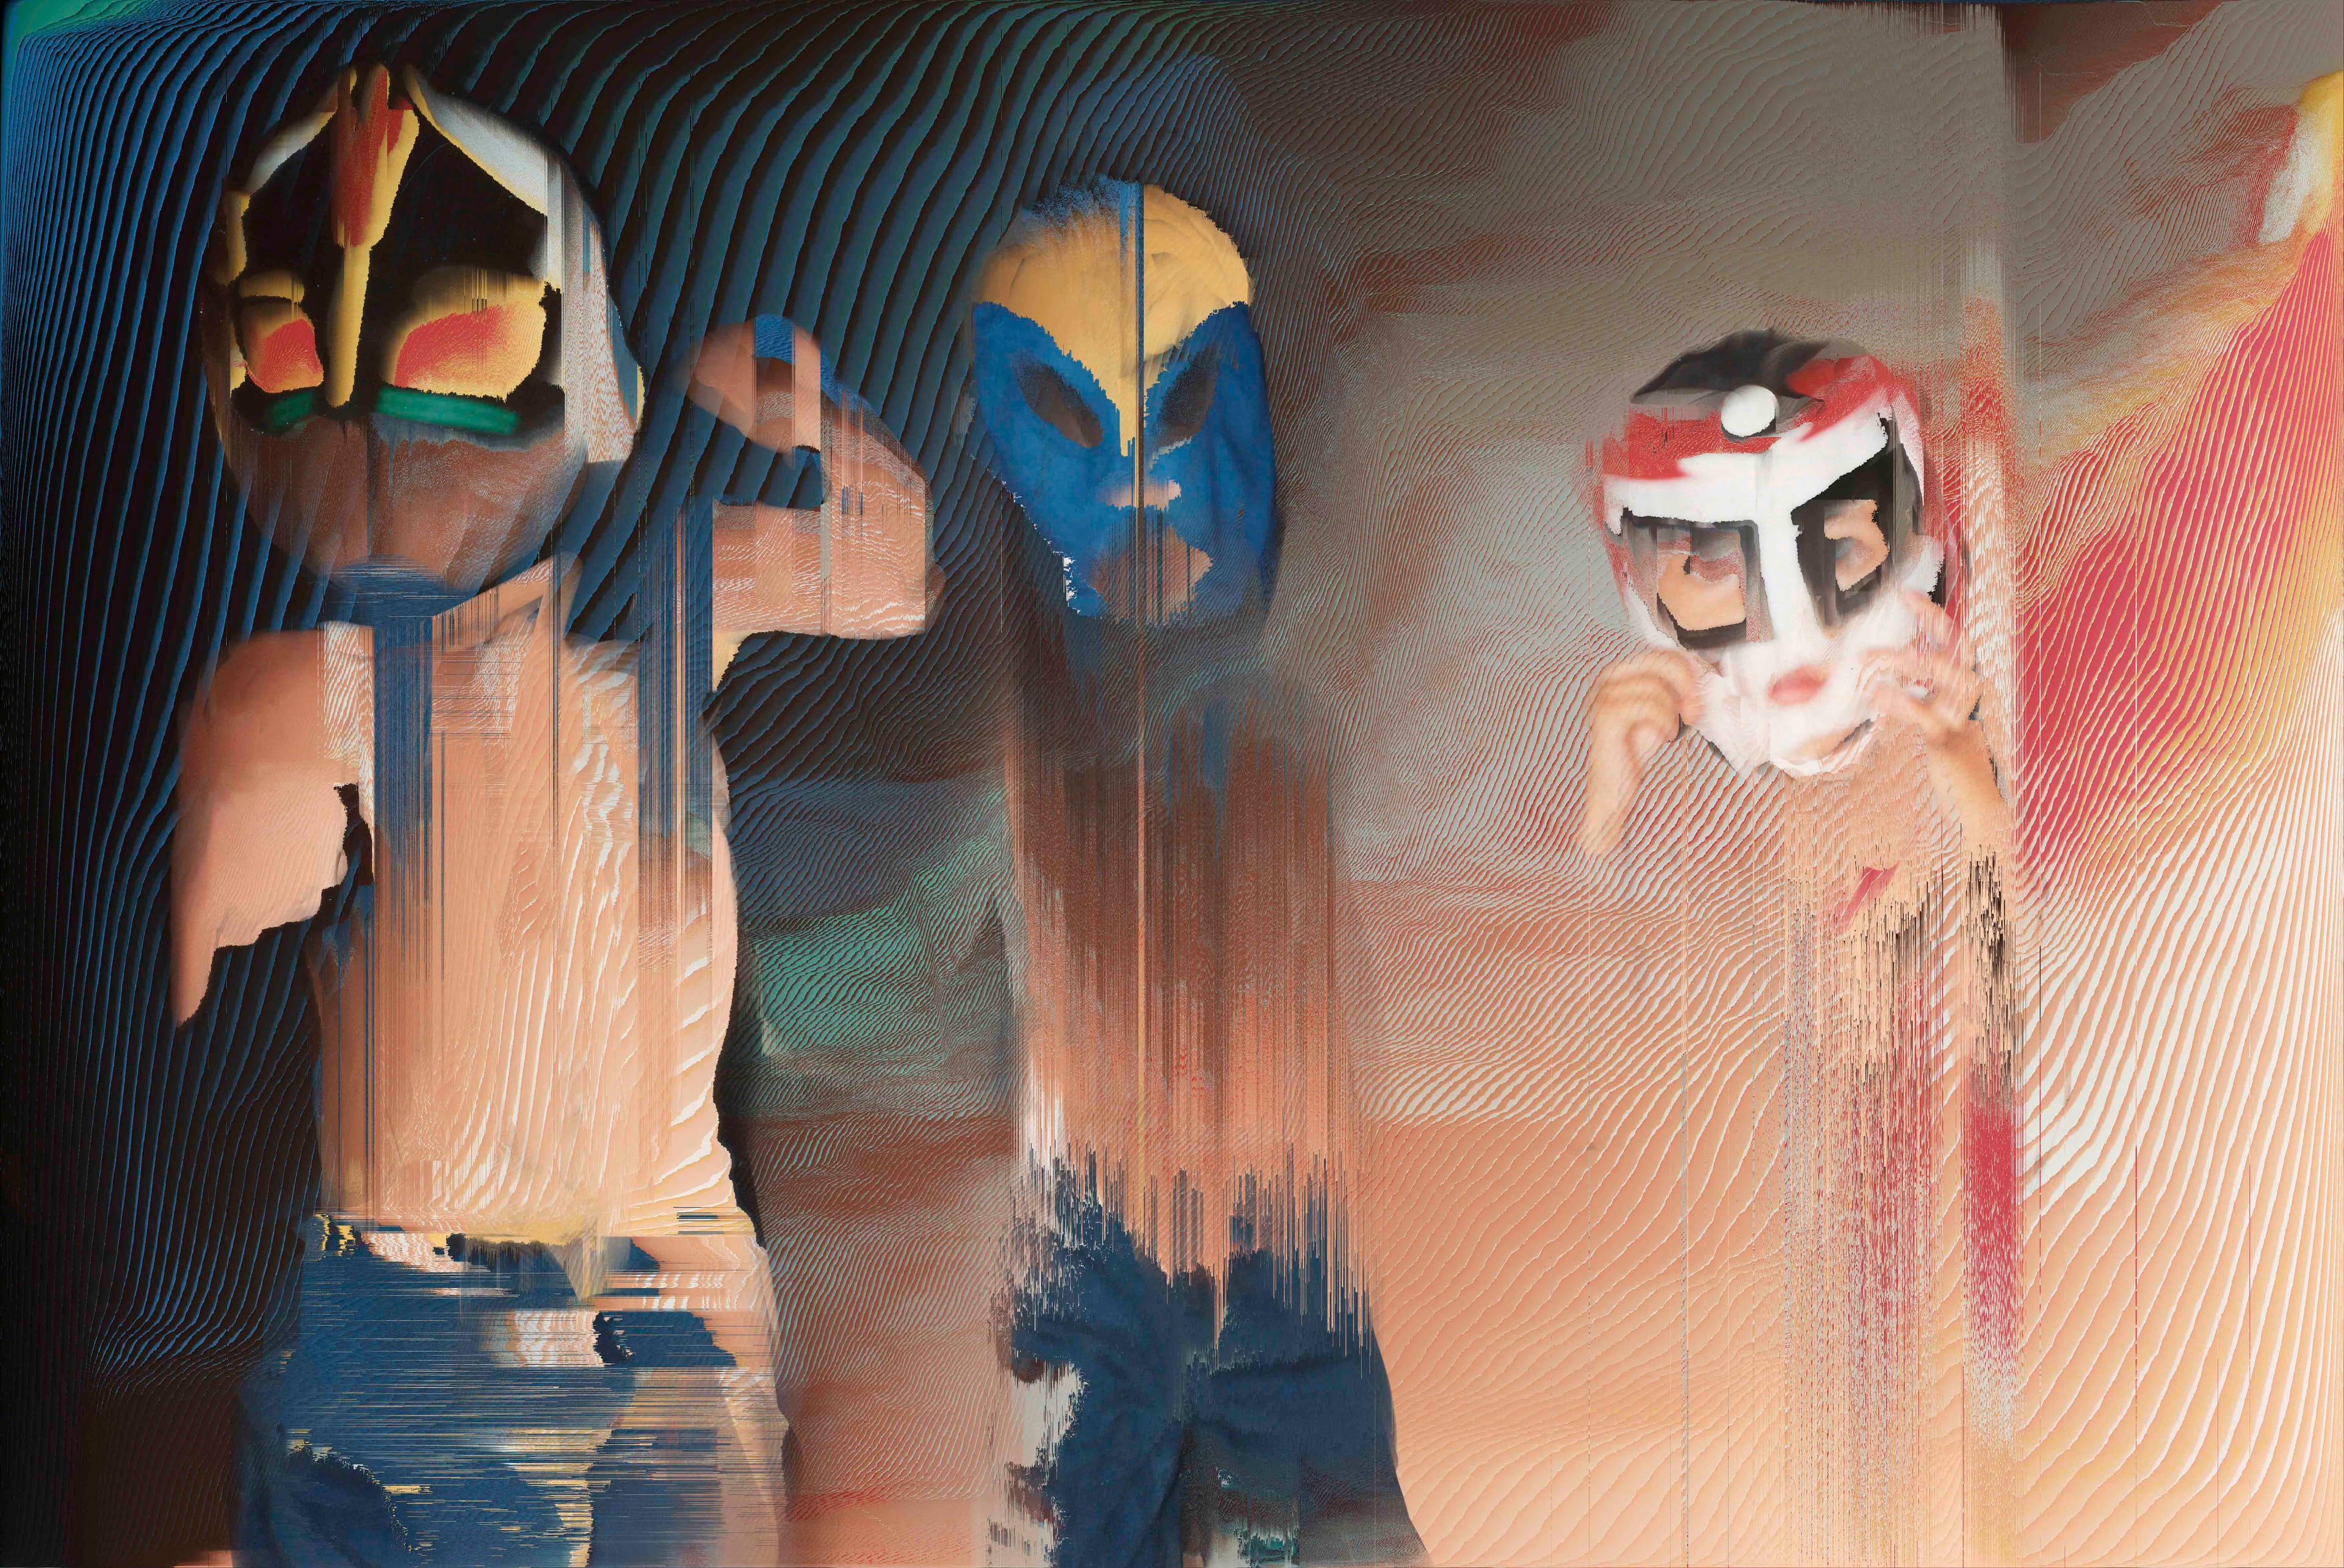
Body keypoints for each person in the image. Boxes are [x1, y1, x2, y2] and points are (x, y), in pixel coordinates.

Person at [173, 63, 929, 1564]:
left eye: (449, 352)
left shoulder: (645, 618)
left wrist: (818, 414)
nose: (391, 451)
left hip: (627, 1290)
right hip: (439, 1289)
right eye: (314, 361)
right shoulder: (338, 688)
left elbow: (890, 573)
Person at [967, 179, 1422, 1567]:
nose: (1139, 483)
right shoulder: (1012, 703)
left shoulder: (1283, 675)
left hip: (1255, 1223)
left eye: (1169, 418)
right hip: (1116, 1236)